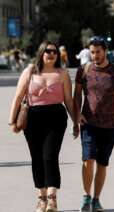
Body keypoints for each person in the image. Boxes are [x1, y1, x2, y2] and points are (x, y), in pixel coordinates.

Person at [8, 41, 77, 212]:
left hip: (56, 118)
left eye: (54, 51)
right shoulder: (30, 71)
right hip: (33, 119)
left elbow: (68, 100)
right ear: (41, 53)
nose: (52, 54)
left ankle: (52, 199)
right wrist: (12, 121)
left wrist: (76, 120)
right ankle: (42, 197)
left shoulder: (62, 73)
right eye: (48, 51)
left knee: (49, 156)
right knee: (37, 158)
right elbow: (18, 96)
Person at [73, 36, 114, 212]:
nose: (95, 55)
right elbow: (76, 95)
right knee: (88, 159)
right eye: (92, 52)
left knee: (102, 163)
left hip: (110, 125)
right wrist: (78, 115)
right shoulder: (84, 70)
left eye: (98, 51)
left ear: (105, 51)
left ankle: (97, 199)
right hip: (88, 123)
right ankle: (86, 196)